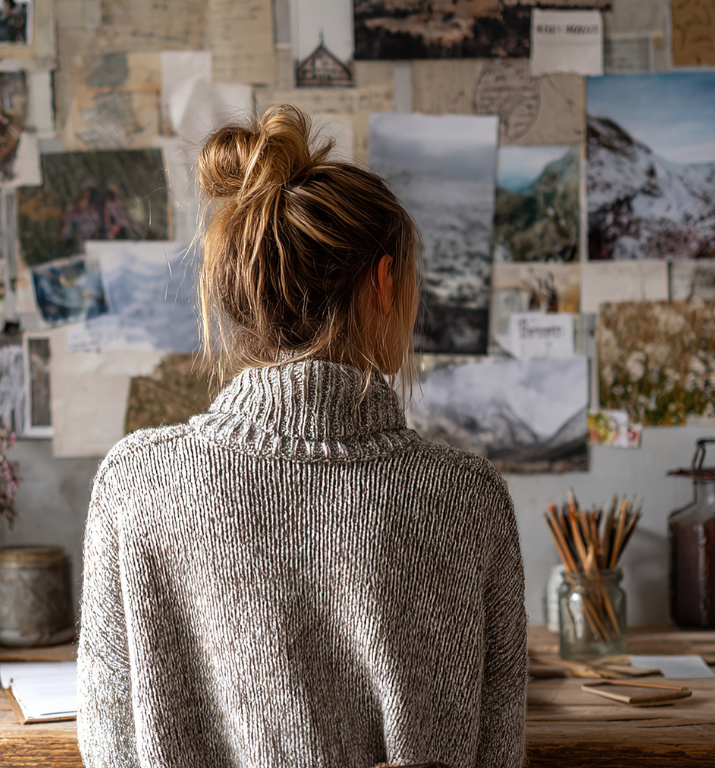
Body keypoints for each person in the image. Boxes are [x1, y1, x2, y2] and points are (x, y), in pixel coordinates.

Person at [77, 105, 527, 768]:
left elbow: (109, 748)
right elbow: (498, 753)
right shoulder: (468, 499)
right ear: (383, 284)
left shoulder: (134, 485)